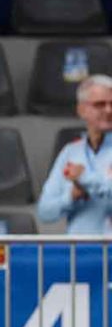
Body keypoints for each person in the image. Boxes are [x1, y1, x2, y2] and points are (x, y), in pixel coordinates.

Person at [39, 74, 112, 234]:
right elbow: (44, 212)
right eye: (100, 104)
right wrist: (71, 196)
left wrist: (84, 178)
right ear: (82, 110)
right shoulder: (70, 152)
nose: (108, 110)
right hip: (80, 249)